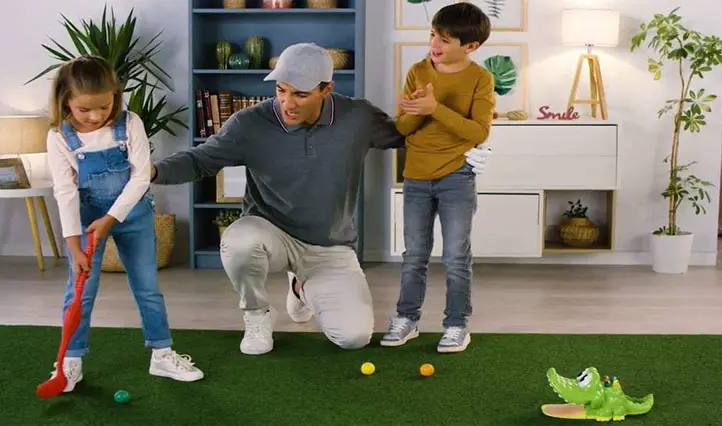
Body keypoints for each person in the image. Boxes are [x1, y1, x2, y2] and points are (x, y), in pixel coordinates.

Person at [150, 42, 490, 355]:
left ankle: (300, 287)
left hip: (329, 247)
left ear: (326, 89)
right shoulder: (249, 123)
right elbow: (199, 160)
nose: (287, 103)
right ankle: (256, 315)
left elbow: (407, 137)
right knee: (239, 242)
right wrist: (151, 172)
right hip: (271, 234)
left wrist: (466, 150)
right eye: (281, 90)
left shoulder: (357, 117)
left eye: (300, 94)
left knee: (353, 337)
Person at [45, 55, 204, 391]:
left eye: (104, 107)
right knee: (80, 292)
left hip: (133, 214)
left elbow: (141, 177)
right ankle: (70, 362)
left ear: (115, 97)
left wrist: (111, 218)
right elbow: (65, 192)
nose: (96, 116)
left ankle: (161, 353)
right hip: (87, 220)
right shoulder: (59, 136)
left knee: (147, 287)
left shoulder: (129, 123)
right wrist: (73, 245)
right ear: (65, 100)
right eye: (85, 109)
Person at [379, 2, 495, 353]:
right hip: (416, 176)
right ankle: (407, 318)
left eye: (444, 39)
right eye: (433, 35)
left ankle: (456, 324)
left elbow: (478, 132)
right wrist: (419, 110)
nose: (434, 44)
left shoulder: (480, 79)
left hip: (457, 175)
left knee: (456, 257)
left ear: (470, 46)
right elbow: (403, 127)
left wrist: (434, 108)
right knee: (414, 254)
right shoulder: (417, 71)